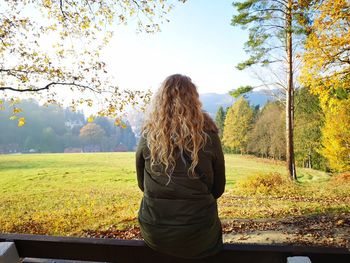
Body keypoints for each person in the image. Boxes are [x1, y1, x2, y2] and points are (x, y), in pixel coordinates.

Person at [136, 74, 226, 259]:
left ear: (161, 100)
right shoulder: (209, 135)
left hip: (156, 233)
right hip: (199, 234)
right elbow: (218, 189)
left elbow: (142, 185)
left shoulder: (148, 136)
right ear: (194, 99)